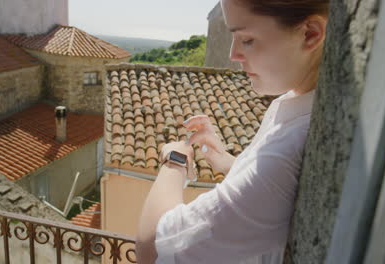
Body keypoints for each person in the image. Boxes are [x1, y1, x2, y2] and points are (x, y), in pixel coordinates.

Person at [136, 0, 329, 263]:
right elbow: (271, 191)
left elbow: (152, 248)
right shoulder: (298, 103)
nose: (233, 54)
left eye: (247, 39)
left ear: (310, 34)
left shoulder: (289, 150)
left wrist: (175, 162)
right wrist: (228, 162)